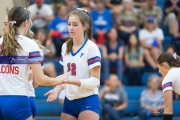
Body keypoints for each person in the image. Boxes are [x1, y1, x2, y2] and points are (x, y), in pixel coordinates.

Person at [0, 7, 69, 120]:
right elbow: (39, 82)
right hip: (19, 100)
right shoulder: (30, 45)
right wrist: (60, 79)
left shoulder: (1, 42)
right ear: (26, 23)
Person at [44, 8, 101, 120]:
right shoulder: (65, 46)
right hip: (69, 102)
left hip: (87, 100)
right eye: (69, 24)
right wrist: (56, 90)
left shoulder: (91, 47)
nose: (71, 27)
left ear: (85, 26)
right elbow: (66, 78)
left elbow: (96, 81)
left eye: (75, 25)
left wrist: (73, 81)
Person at [1, 14, 39, 120]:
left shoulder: (31, 46)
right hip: (21, 98)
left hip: (20, 97)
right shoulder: (33, 46)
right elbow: (37, 82)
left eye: (5, 24)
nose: (3, 28)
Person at [156, 52, 180, 120]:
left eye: (159, 68)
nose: (159, 71)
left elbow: (168, 108)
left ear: (164, 65)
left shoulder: (167, 78)